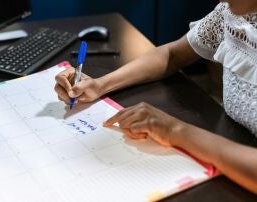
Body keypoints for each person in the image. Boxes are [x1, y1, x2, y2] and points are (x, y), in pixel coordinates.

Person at [54, 0, 257, 194]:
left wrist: (174, 130)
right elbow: (173, 54)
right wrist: (100, 84)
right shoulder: (230, 11)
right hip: (234, 139)